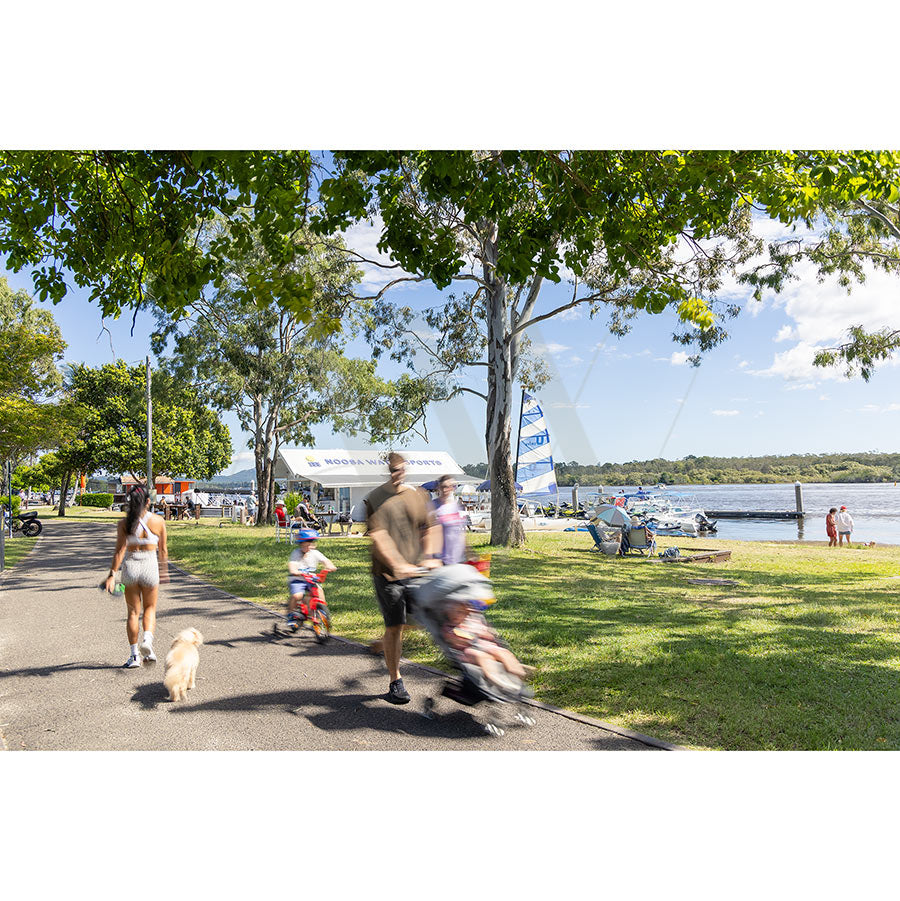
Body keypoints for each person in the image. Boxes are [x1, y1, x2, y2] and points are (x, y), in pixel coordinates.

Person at [365, 452, 442, 704]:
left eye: (401, 470)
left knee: (420, 619)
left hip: (415, 570)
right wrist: (398, 564)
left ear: (406, 469)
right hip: (387, 573)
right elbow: (379, 537)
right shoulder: (375, 498)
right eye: (392, 470)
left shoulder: (416, 495)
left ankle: (383, 643)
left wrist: (430, 555)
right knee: (396, 625)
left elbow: (429, 527)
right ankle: (395, 681)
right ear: (388, 471)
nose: (397, 474)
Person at [104, 485, 169, 668]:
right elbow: (163, 550)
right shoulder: (158, 521)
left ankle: (134, 656)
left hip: (130, 567)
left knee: (132, 613)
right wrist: (163, 571)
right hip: (150, 566)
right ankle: (147, 641)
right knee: (150, 608)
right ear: (148, 502)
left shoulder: (124, 524)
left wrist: (111, 575)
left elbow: (119, 552)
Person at [441, 599, 527, 685]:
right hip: (466, 651)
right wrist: (460, 636)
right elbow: (453, 640)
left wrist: (484, 632)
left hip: (485, 646)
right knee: (481, 657)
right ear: (447, 614)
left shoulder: (472, 622)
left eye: (461, 611)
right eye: (453, 612)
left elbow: (489, 635)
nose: (457, 614)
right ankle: (496, 679)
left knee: (503, 652)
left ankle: (517, 673)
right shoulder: (449, 627)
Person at [286, 529, 336, 629]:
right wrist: (295, 571)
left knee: (319, 592)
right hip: (297, 579)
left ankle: (321, 612)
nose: (307, 547)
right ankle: (291, 614)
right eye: (304, 545)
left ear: (313, 544)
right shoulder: (296, 554)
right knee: (297, 596)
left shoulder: (315, 553)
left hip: (311, 579)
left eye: (309, 545)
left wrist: (330, 566)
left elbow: (326, 561)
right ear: (300, 545)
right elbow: (292, 566)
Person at [434, 474, 467, 565]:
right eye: (443, 487)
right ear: (439, 488)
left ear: (453, 488)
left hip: (458, 558)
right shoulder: (433, 507)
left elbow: (461, 532)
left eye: (448, 487)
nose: (445, 490)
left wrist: (468, 551)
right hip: (441, 559)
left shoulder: (456, 506)